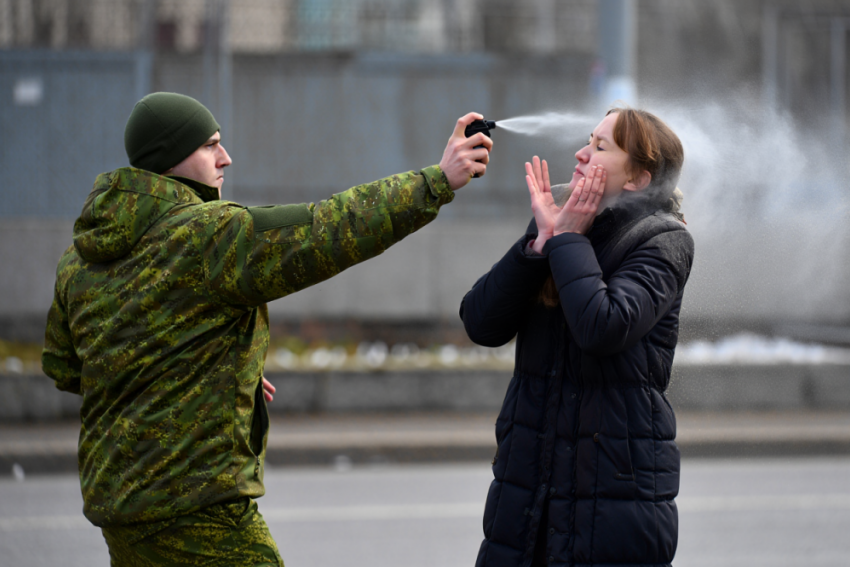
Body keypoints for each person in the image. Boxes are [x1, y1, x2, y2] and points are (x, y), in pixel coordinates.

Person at [41, 92, 493, 566]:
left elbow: (67, 367)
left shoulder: (80, 257)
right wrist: (436, 181)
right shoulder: (206, 236)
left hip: (119, 509)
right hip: (197, 509)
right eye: (210, 145)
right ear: (171, 159)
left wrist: (204, 370)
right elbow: (328, 229)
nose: (225, 157)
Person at [460, 107, 694, 567]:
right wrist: (536, 246)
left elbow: (603, 326)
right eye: (589, 140)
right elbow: (480, 323)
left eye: (601, 147)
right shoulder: (559, 222)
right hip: (528, 497)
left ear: (638, 179)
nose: (581, 153)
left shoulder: (663, 240)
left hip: (614, 505)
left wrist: (566, 240)